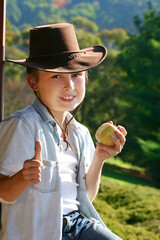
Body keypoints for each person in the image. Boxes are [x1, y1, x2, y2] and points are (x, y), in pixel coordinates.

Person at [0, 23, 127, 240]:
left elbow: (85, 197)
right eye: (56, 76)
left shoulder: (81, 133)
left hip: (78, 226)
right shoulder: (24, 125)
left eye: (77, 74)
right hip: (38, 232)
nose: (69, 85)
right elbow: (4, 194)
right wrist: (23, 177)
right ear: (33, 82)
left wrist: (100, 157)